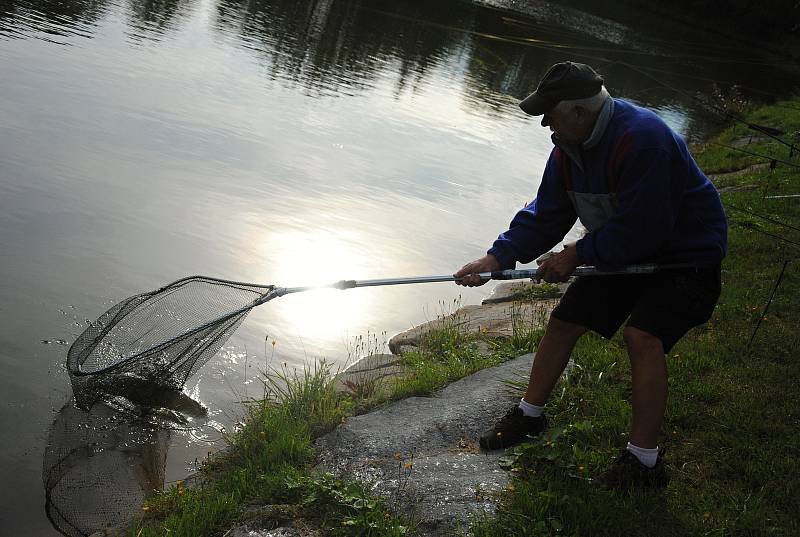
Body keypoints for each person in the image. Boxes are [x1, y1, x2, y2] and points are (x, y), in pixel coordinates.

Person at [455, 61, 727, 489]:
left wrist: (576, 254)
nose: (546, 124)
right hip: (623, 250)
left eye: (551, 114)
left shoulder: (644, 140)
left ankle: (644, 463)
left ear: (580, 112)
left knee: (642, 336)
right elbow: (547, 213)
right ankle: (529, 416)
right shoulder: (567, 148)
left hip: (684, 260)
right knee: (563, 322)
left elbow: (645, 228)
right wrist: (497, 258)